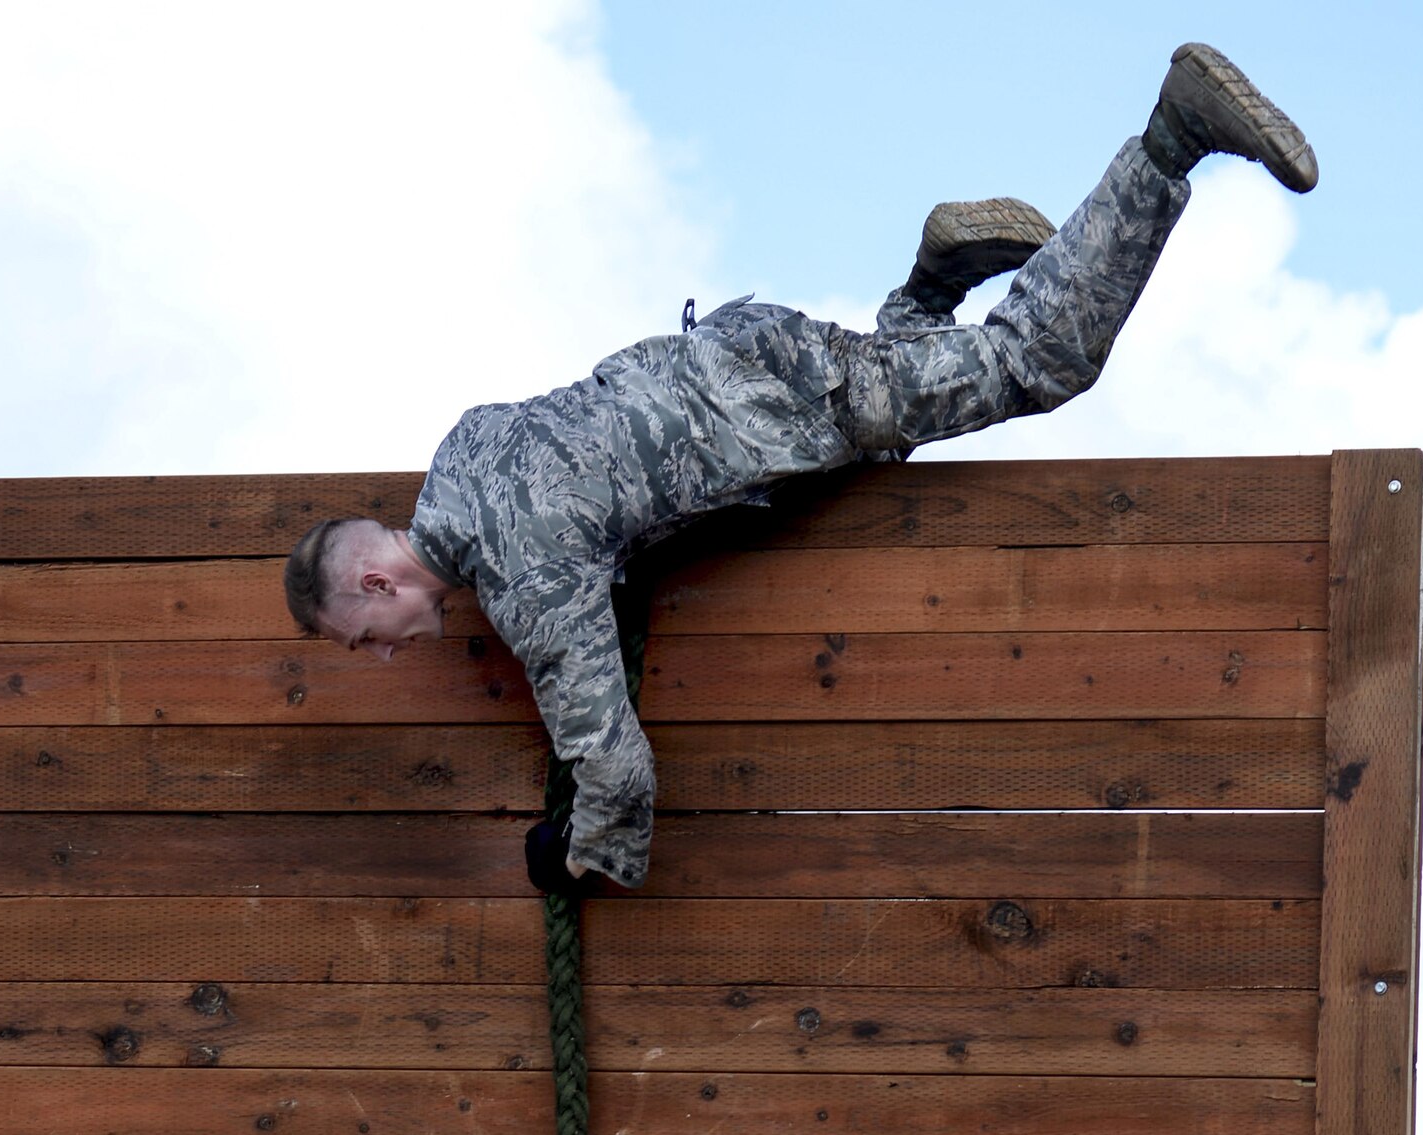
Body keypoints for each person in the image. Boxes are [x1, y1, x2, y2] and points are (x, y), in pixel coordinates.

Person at [283, 42, 1317, 891]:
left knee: (1034, 361)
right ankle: (929, 279)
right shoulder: (458, 452)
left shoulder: (523, 580)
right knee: (881, 438)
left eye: (360, 639)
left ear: (378, 582)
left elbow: (616, 767)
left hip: (780, 407)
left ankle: (1169, 137)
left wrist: (578, 853)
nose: (379, 655)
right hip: (739, 365)